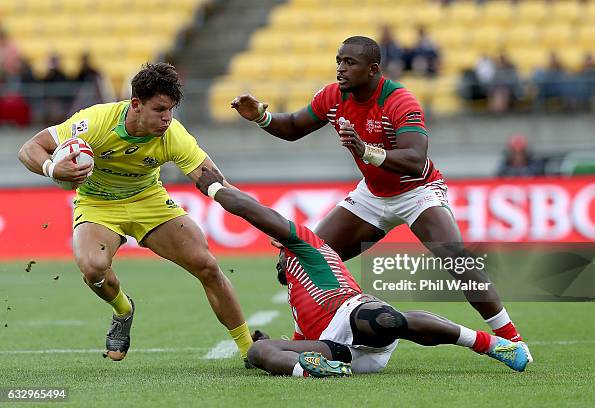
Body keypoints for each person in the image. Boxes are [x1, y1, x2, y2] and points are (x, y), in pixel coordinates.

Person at [231, 36, 528, 349]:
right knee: (297, 259)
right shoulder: (333, 96)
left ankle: (512, 339)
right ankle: (301, 341)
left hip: (417, 192)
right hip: (372, 196)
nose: (340, 69)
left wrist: (366, 151)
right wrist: (261, 117)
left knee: (457, 259)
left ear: (373, 70)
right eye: (338, 61)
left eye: (349, 63)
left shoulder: (400, 100)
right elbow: (293, 126)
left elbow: (415, 159)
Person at [195, 166, 531, 377]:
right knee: (257, 353)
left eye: (278, 254)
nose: (276, 261)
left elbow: (254, 211)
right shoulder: (296, 301)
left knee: (386, 321)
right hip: (339, 353)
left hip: (357, 316)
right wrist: (276, 349)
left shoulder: (308, 246)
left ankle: (490, 344)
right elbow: (303, 341)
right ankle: (313, 372)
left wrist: (216, 189)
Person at [18, 62, 253, 363]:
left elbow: (219, 184)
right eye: (159, 109)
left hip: (148, 200)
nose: (167, 118)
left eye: (170, 109)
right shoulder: (96, 122)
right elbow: (30, 148)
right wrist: (53, 167)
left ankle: (249, 349)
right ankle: (123, 309)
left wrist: (268, 226)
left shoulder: (173, 135)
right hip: (97, 204)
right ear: (136, 105)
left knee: (206, 265)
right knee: (93, 268)